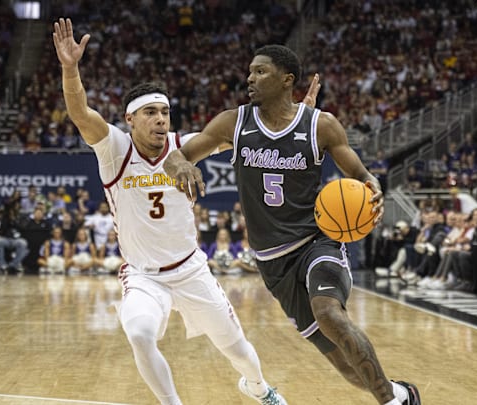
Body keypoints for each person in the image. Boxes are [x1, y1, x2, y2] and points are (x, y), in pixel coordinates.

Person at [53, 18, 304, 405]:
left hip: (191, 270)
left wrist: (291, 118)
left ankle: (259, 388)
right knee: (139, 333)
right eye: (150, 112)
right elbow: (81, 112)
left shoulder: (185, 146)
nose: (160, 120)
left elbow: (241, 132)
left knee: (238, 352)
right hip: (143, 275)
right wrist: (71, 68)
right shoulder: (114, 148)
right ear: (130, 119)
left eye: (165, 113)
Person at [164, 44, 420, 405]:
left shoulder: (321, 125)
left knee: (329, 313)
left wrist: (372, 183)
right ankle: (400, 393)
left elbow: (360, 172)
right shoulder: (233, 122)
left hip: (318, 240)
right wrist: (179, 166)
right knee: (347, 367)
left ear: (287, 80)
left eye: (260, 72)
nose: (249, 78)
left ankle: (390, 403)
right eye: (250, 71)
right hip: (272, 261)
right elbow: (176, 155)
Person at [0, 192, 29, 274]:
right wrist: (8, 218)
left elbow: (22, 228)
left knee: (23, 243)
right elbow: (2, 228)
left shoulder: (21, 216)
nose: (15, 207)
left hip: (16, 239)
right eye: (13, 206)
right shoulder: (5, 216)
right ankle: (2, 265)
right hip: (6, 238)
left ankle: (13, 265)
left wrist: (14, 221)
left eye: (16, 206)